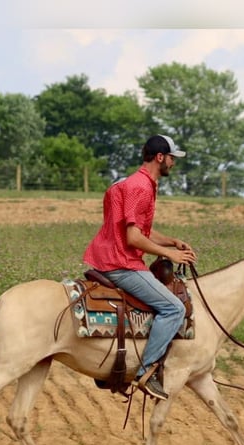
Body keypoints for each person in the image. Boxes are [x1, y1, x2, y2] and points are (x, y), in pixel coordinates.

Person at [83, 134, 197, 400]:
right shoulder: (141, 188)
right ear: (160, 158)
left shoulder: (130, 182)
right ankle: (145, 373)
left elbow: (140, 230)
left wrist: (171, 241)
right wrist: (169, 254)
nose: (173, 163)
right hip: (120, 263)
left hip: (105, 256)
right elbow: (133, 238)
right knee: (174, 308)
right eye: (171, 158)